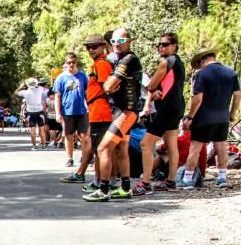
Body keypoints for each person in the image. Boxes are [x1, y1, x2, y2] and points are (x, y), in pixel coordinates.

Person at [83, 27, 143, 202]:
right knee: (120, 149)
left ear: (130, 42)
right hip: (121, 111)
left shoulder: (129, 59)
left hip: (126, 112)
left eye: (122, 41)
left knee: (103, 148)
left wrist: (111, 86)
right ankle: (125, 188)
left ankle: (103, 189)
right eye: (114, 41)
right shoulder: (119, 60)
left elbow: (108, 87)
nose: (117, 44)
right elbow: (110, 86)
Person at [133, 33, 186, 195]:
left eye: (165, 44)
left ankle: (145, 183)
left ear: (174, 46)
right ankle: (171, 181)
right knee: (171, 144)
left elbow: (150, 85)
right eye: (159, 44)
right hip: (177, 107)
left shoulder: (166, 62)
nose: (161, 47)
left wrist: (154, 91)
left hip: (167, 109)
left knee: (145, 144)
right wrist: (156, 92)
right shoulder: (179, 62)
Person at [181, 48, 240, 189]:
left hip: (204, 117)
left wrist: (190, 117)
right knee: (221, 146)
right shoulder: (231, 73)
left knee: (195, 148)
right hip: (223, 117)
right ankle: (222, 177)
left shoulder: (202, 74)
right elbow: (238, 94)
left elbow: (198, 98)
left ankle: (188, 179)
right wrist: (232, 113)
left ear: (202, 60)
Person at [62, 35, 113, 188]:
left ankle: (102, 182)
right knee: (96, 149)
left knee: (99, 149)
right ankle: (97, 180)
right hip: (95, 110)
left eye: (95, 46)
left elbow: (107, 88)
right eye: (88, 47)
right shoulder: (96, 64)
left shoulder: (102, 64)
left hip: (101, 111)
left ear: (103, 46)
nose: (91, 50)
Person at [54, 55, 90, 168]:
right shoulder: (61, 78)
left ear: (76, 62)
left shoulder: (82, 76)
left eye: (73, 62)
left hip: (81, 110)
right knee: (68, 136)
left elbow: (87, 93)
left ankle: (85, 157)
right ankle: (69, 158)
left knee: (84, 136)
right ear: (66, 63)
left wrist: (90, 107)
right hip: (67, 111)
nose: (71, 64)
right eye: (69, 62)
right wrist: (57, 113)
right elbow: (57, 96)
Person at [16, 78, 47, 149]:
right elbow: (44, 88)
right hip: (40, 111)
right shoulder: (40, 89)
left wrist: (20, 87)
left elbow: (16, 92)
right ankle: (44, 145)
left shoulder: (25, 92)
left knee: (32, 130)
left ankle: (34, 145)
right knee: (41, 129)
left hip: (31, 112)